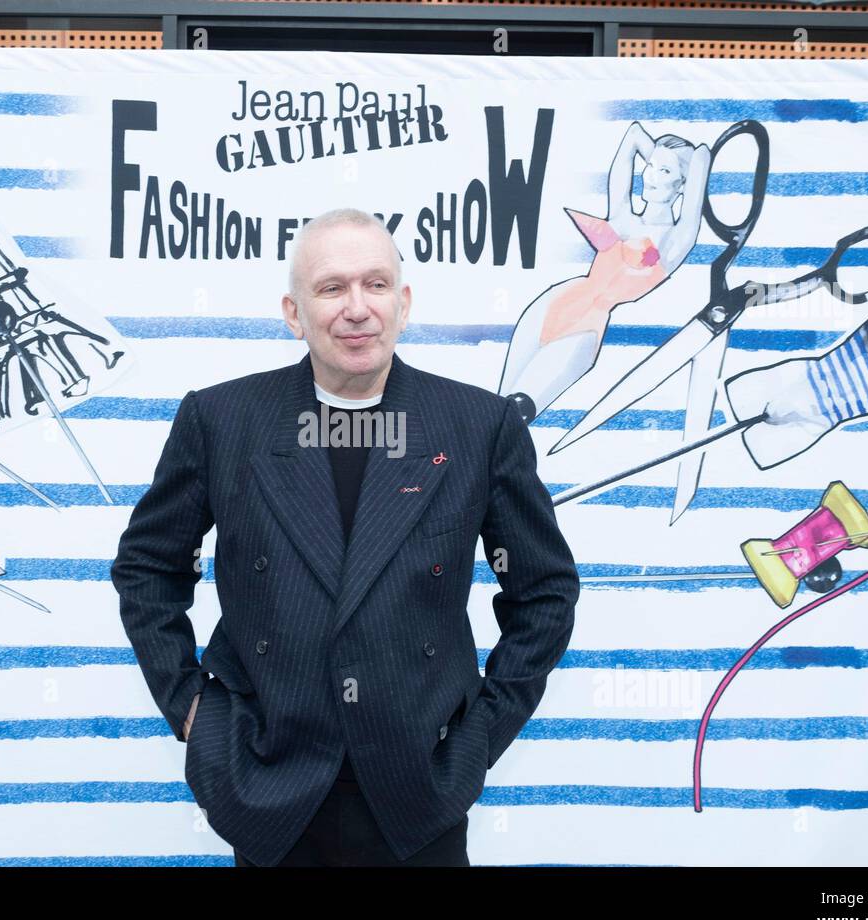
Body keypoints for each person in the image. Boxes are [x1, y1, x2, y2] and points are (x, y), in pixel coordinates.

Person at [110, 208, 579, 866]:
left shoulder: (479, 427)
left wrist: (482, 733)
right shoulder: (221, 421)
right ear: (295, 313)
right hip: (270, 792)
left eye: (376, 284)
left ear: (404, 302)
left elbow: (545, 591)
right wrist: (196, 716)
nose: (357, 309)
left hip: (419, 799)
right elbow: (147, 570)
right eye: (332, 289)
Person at [498, 122, 712, 423]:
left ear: (683, 185)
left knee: (517, 411)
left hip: (588, 327)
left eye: (663, 172)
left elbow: (702, 157)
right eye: (649, 166)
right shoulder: (623, 215)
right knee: (494, 409)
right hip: (556, 301)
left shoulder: (676, 239)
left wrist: (681, 165)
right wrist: (664, 159)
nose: (649, 176)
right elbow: (634, 134)